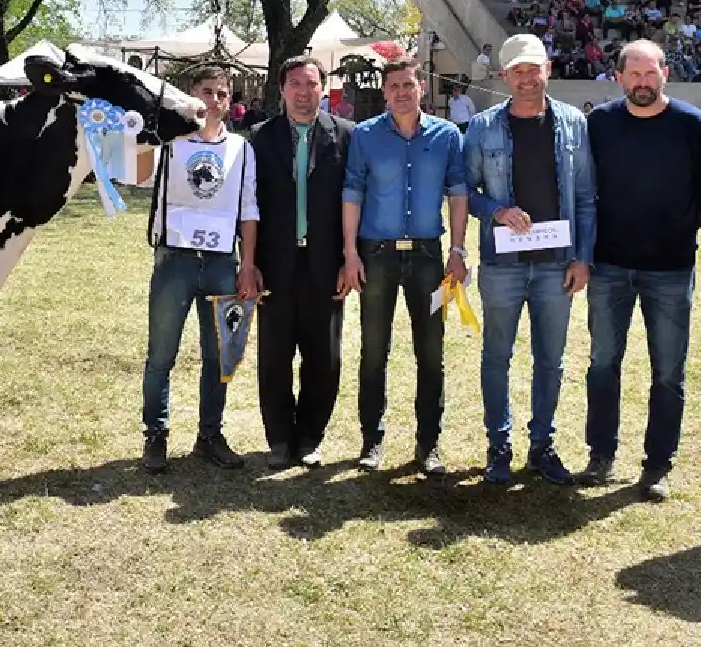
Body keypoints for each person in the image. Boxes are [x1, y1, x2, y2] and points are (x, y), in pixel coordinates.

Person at [463, 33, 595, 485]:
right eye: (517, 71)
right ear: (504, 76)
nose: (526, 79)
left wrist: (582, 258)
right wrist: (496, 210)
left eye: (533, 69)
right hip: (503, 265)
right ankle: (498, 446)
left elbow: (585, 198)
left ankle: (542, 446)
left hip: (557, 264)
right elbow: (465, 191)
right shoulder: (482, 127)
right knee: (496, 356)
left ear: (547, 70)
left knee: (550, 360)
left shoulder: (574, 123)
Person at [580, 40, 701, 501]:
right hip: (610, 265)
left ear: (665, 74)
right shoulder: (600, 124)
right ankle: (601, 455)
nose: (643, 82)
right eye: (635, 74)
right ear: (619, 78)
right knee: (602, 364)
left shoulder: (691, 124)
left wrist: (684, 228)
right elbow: (582, 186)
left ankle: (657, 466)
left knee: (668, 372)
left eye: (651, 73)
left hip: (670, 268)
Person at [343, 60, 469, 477]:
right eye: (394, 86)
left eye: (408, 85)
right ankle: (371, 440)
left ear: (422, 88)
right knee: (373, 351)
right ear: (385, 92)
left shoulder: (447, 135)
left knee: (431, 353)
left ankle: (428, 444)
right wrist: (350, 252)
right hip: (376, 256)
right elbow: (352, 192)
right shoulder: (365, 135)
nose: (401, 92)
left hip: (428, 258)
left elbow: (458, 193)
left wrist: (458, 250)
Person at [142, 65, 261, 473]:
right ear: (192, 96)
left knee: (219, 355)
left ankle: (210, 435)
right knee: (161, 355)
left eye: (222, 94)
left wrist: (248, 265)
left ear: (230, 102)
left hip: (221, 264)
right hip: (175, 261)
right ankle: (155, 435)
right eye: (206, 92)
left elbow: (249, 210)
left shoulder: (242, 149)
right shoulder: (170, 143)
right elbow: (136, 174)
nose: (214, 100)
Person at [250, 57, 354, 469]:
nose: (303, 92)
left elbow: (354, 201)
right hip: (274, 265)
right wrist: (249, 262)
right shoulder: (260, 138)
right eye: (295, 84)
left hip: (325, 266)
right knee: (274, 356)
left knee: (323, 356)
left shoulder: (347, 136)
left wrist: (349, 260)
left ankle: (311, 436)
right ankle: (279, 438)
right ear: (282, 89)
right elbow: (249, 205)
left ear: (322, 88)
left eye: (311, 84)